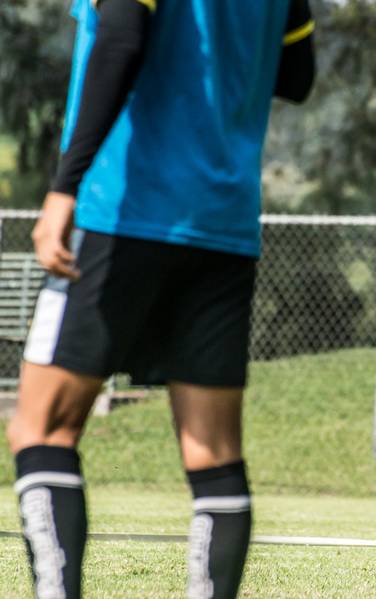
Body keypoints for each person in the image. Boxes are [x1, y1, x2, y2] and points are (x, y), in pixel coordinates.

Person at [6, 0, 315, 597]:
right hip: (225, 223)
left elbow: (121, 36)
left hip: (123, 210)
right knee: (212, 451)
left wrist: (64, 186)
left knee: (41, 428)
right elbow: (296, 76)